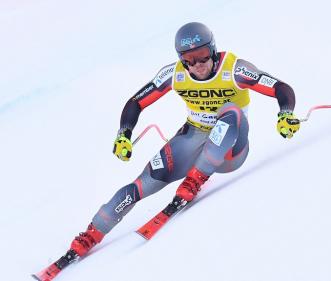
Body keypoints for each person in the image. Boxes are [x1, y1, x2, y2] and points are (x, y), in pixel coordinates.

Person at [68, 22, 301, 258]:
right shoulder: (174, 74)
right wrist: (123, 135)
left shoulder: (235, 69)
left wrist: (285, 113)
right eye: (188, 59)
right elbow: (136, 102)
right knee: (144, 182)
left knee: (231, 111)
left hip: (230, 151)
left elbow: (280, 87)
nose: (196, 66)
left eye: (201, 56)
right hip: (193, 137)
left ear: (212, 50)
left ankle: (195, 179)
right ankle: (91, 234)